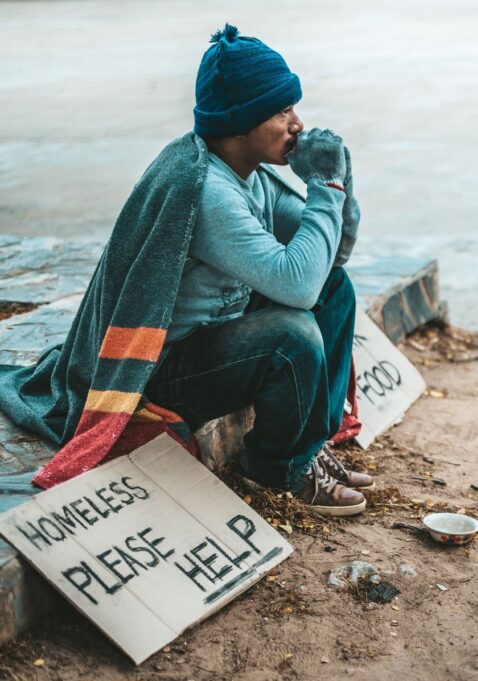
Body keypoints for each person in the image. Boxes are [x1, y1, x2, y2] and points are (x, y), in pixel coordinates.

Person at [0, 24, 372, 515]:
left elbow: (329, 261)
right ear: (241, 123)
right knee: (293, 334)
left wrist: (340, 182)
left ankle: (310, 441)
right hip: (161, 369)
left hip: (214, 336)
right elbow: (298, 287)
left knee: (337, 288)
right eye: (282, 112)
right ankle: (281, 469)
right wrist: (324, 187)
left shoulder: (251, 173)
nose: (297, 124)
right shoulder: (208, 192)